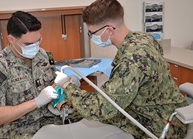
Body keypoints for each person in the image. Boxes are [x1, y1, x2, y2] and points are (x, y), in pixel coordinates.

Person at [54, 0, 188, 138]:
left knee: (92, 115)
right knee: (81, 113)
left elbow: (100, 109)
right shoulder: (143, 37)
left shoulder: (132, 61)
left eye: (92, 33)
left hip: (162, 126)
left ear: (110, 29)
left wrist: (67, 85)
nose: (92, 37)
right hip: (163, 110)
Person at [0, 11, 71, 138]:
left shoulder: (44, 56)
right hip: (18, 127)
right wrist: (36, 102)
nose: (35, 47)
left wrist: (63, 88)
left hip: (49, 116)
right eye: (29, 44)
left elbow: (52, 85)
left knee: (87, 123)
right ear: (11, 40)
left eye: (38, 41)